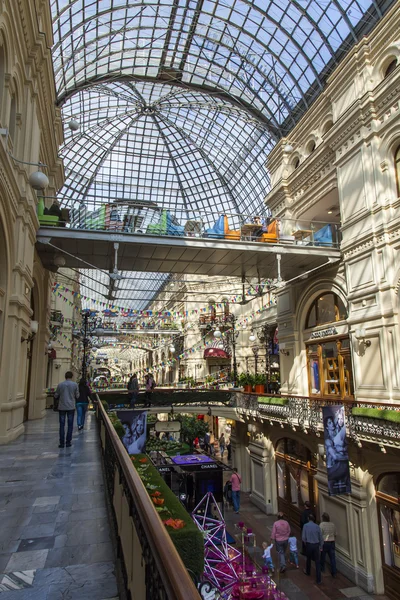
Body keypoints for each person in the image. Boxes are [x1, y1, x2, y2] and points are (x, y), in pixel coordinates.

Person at [54, 371, 79, 448]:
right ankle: (68, 442)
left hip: (62, 407)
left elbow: (56, 395)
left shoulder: (60, 385)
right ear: (71, 377)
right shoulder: (75, 385)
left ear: (65, 376)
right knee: (70, 425)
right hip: (71, 407)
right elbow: (77, 396)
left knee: (62, 425)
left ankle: (61, 443)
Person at [302, 513, 323, 584]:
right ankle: (319, 579)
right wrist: (321, 546)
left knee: (308, 559)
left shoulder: (305, 526)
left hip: (309, 544)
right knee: (317, 562)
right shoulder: (317, 526)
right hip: (316, 545)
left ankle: (308, 572)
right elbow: (320, 537)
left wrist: (306, 544)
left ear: (308, 519)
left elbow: (303, 538)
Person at [320, 512, 337, 577]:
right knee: (332, 558)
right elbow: (335, 534)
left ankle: (322, 569)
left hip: (325, 542)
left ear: (323, 518)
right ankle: (334, 572)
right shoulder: (332, 524)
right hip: (332, 542)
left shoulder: (322, 525)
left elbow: (320, 534)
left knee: (323, 557)